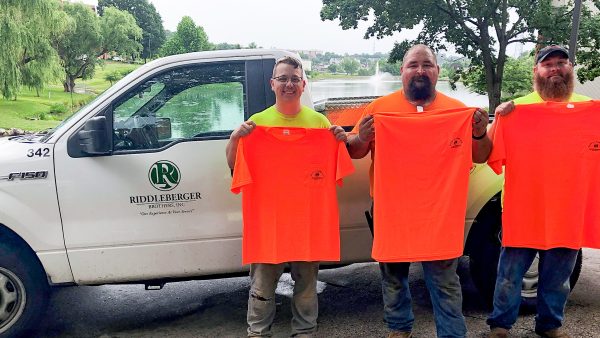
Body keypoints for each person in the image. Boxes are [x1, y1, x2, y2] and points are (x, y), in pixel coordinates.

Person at [346, 44, 491, 338]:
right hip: (391, 210)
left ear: (438, 71)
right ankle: (399, 329)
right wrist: (361, 136)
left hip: (440, 212)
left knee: (445, 281)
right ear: (402, 72)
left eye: (427, 65)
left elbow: (481, 155)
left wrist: (479, 132)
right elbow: (355, 151)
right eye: (413, 65)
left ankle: (452, 333)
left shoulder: (457, 111)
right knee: (393, 277)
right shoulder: (379, 108)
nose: (420, 70)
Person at [226, 56, 347, 338]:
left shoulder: (320, 124)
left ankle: (304, 334)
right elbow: (235, 168)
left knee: (306, 291)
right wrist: (235, 138)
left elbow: (339, 166)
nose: (289, 84)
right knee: (261, 290)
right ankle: (257, 334)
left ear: (303, 84)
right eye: (283, 79)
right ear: (273, 84)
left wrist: (340, 140)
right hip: (268, 224)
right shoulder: (257, 125)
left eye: (294, 79)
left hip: (309, 224)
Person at [486, 45, 591, 338]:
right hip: (524, 209)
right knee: (508, 275)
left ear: (571, 68)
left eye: (562, 63)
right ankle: (500, 325)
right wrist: (498, 118)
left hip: (569, 210)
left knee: (558, 277)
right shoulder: (517, 109)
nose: (555, 69)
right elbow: (490, 154)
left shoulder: (590, 110)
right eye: (548, 65)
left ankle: (550, 325)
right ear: (536, 72)